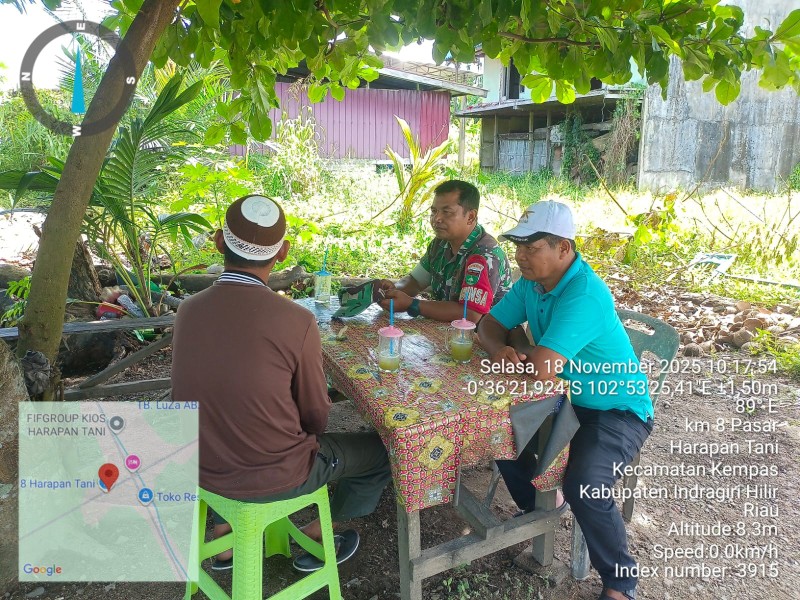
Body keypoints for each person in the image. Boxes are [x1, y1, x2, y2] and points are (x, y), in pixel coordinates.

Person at [171, 194, 392, 573]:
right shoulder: (295, 320)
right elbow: (316, 419)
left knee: (232, 423)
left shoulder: (188, 310)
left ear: (219, 242)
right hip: (273, 475)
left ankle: (227, 537)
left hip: (201, 466)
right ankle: (321, 534)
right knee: (386, 451)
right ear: (284, 253)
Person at [477, 200, 652, 600]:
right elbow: (488, 324)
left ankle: (620, 583)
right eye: (518, 246)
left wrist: (516, 341)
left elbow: (540, 367)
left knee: (586, 482)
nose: (520, 255)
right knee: (497, 429)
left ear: (564, 249)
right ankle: (542, 505)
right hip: (563, 396)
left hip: (616, 408)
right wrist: (501, 345)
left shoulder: (584, 292)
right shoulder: (532, 283)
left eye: (532, 247)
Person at [378, 179, 512, 322]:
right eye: (434, 211)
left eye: (447, 212)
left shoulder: (485, 255)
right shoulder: (440, 244)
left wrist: (413, 304)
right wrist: (392, 290)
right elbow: (416, 281)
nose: (437, 219)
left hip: (486, 338)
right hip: (446, 331)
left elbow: (470, 314)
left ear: (470, 216)